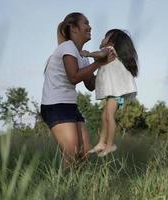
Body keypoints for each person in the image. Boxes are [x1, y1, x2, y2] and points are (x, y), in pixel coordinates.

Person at [40, 12, 114, 168]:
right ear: (74, 28)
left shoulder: (84, 57)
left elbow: (90, 84)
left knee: (85, 153)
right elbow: (73, 77)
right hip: (55, 105)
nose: (90, 27)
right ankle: (59, 190)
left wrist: (107, 67)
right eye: (85, 23)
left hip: (70, 106)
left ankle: (75, 190)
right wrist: (99, 63)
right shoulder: (67, 47)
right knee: (72, 153)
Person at [80, 29, 138, 157]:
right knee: (105, 115)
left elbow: (101, 54)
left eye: (105, 37)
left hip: (117, 92)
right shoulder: (112, 54)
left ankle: (110, 144)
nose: (102, 39)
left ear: (111, 41)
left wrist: (88, 54)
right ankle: (101, 143)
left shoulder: (109, 50)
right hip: (116, 93)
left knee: (109, 115)